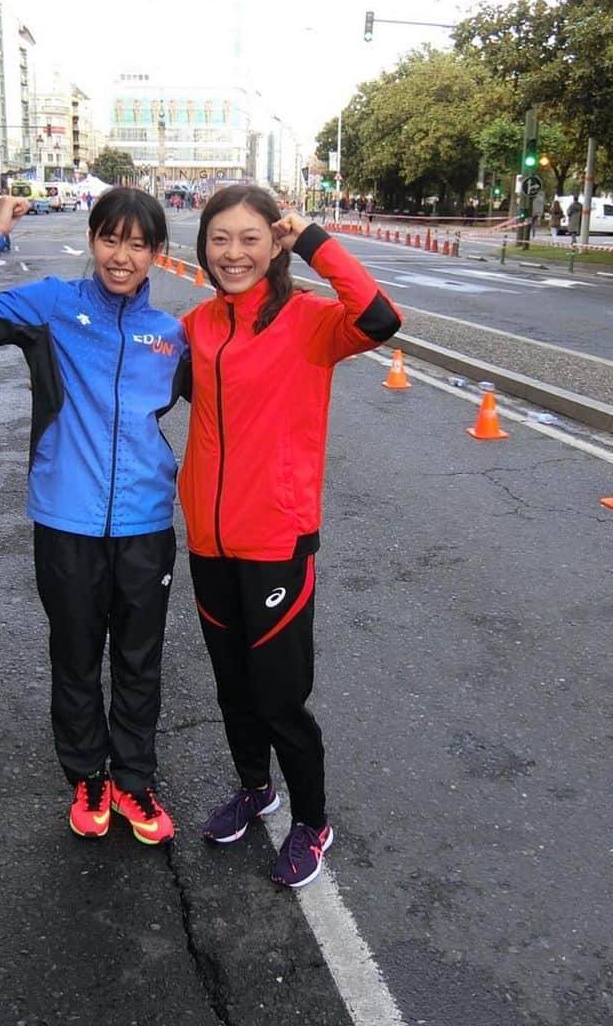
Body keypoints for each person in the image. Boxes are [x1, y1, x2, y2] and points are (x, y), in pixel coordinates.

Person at [0, 187, 189, 847]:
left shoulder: (171, 337)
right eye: (110, 239)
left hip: (145, 526)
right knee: (74, 659)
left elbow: (228, 405)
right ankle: (87, 778)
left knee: (139, 662)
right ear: (94, 239)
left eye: (137, 244)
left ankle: (132, 779)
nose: (121, 256)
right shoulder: (52, 307)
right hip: (66, 523)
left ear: (157, 253)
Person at [179, 185, 401, 889]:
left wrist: (315, 239)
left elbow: (380, 316)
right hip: (209, 540)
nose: (233, 253)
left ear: (274, 245)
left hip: (276, 537)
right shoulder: (198, 325)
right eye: (220, 238)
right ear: (203, 246)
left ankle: (312, 819)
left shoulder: (311, 321)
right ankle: (255, 788)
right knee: (232, 689)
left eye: (251, 238)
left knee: (279, 697)